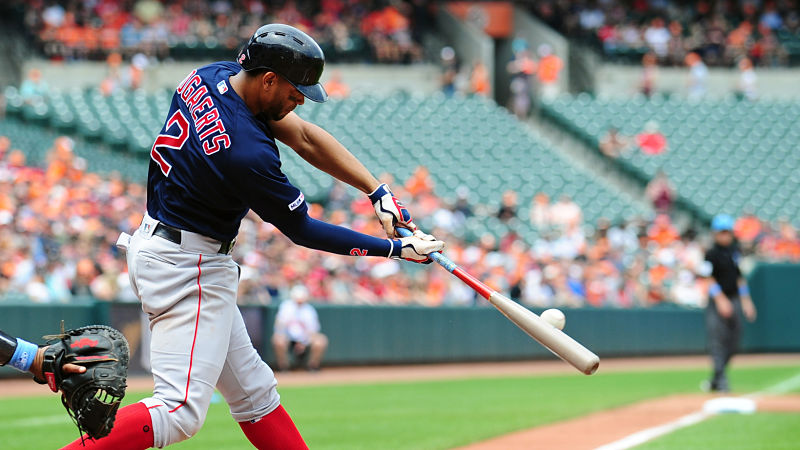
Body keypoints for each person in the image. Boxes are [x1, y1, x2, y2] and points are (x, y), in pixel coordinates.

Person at [61, 23, 443, 449]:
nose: (300, 100)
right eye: (295, 91)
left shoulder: (212, 76)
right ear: (268, 79)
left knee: (255, 395)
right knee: (178, 412)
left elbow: (303, 137)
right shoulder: (244, 151)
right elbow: (301, 230)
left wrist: (377, 191)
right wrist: (394, 248)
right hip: (188, 265)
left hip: (172, 245)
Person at [700, 214, 757, 392]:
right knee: (718, 340)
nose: (726, 235)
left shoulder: (734, 251)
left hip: (734, 298)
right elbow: (708, 278)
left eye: (728, 232)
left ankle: (716, 378)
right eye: (722, 232)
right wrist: (721, 300)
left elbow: (739, 278)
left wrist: (747, 301)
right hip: (718, 300)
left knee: (735, 339)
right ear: (715, 233)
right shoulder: (711, 253)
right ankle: (721, 380)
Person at [272, 285, 328, 372]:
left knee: (321, 340)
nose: (299, 301)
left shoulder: (309, 310)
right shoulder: (286, 306)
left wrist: (303, 342)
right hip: (288, 338)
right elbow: (279, 326)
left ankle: (313, 366)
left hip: (305, 339)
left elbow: (313, 330)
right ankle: (284, 367)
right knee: (278, 339)